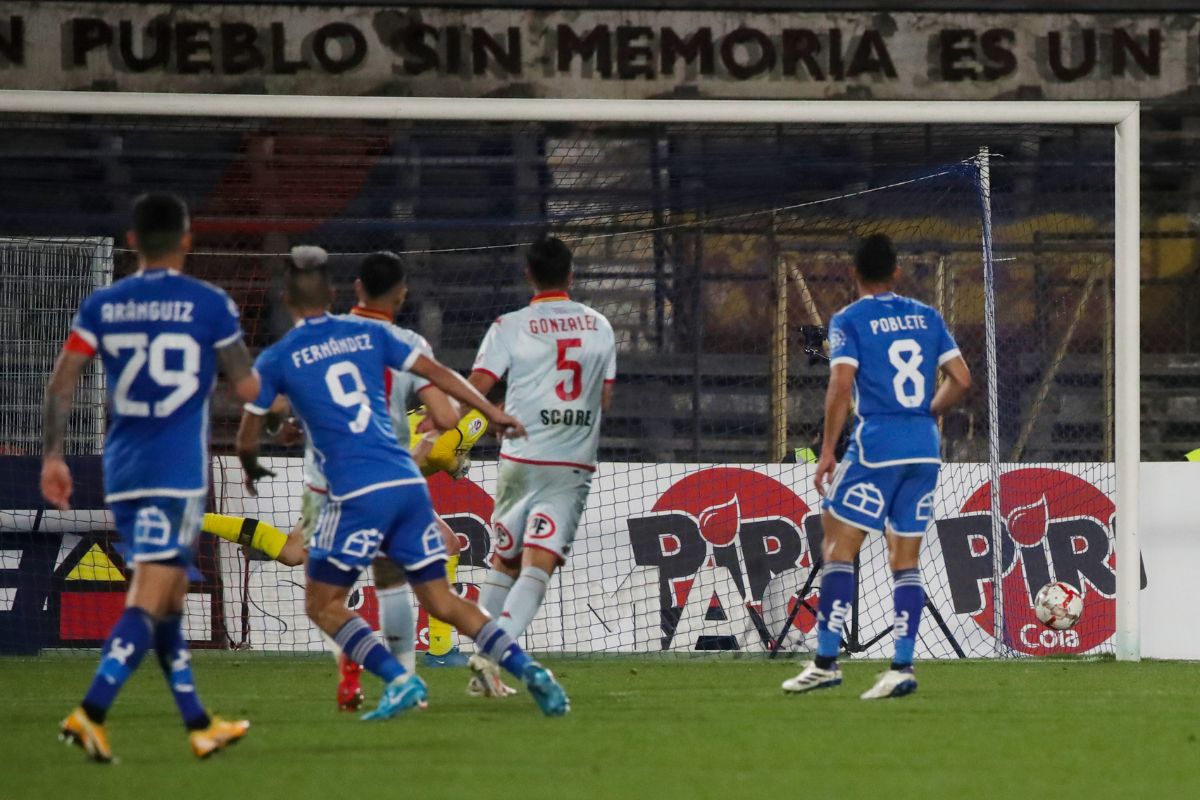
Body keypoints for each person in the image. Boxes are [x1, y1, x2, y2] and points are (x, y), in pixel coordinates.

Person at [238, 250, 569, 719]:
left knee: (324, 598)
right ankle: (527, 668)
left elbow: (258, 425)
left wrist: (265, 447)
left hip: (343, 488)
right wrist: (490, 413)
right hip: (404, 477)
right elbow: (441, 386)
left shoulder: (281, 355)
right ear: (334, 294)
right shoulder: (377, 336)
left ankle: (396, 679)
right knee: (438, 596)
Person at [203, 251, 486, 710]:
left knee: (325, 567)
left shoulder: (333, 342)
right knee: (311, 563)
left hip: (350, 477)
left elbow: (268, 407)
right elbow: (431, 448)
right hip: (360, 480)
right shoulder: (432, 394)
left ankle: (422, 656)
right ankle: (410, 662)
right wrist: (453, 461)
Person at [43, 192, 259, 762]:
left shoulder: (103, 304)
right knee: (149, 596)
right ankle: (90, 712)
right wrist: (280, 410)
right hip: (175, 475)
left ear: (132, 241)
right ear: (187, 240)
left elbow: (62, 383)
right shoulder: (209, 304)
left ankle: (198, 723)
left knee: (169, 597)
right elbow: (246, 386)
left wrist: (53, 457)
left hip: (123, 470)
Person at [782, 233, 971, 700]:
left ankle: (826, 661)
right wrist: (927, 412)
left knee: (837, 543)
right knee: (905, 559)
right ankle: (901, 666)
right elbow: (962, 378)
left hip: (877, 446)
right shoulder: (927, 316)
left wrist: (828, 450)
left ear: (854, 273)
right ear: (897, 272)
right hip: (924, 448)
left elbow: (840, 386)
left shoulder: (850, 319)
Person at [465, 236, 616, 697]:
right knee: (537, 567)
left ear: (528, 274)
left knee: (504, 561)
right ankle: (490, 655)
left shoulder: (508, 325)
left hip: (518, 460)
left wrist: (486, 415)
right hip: (568, 464)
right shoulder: (600, 325)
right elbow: (604, 398)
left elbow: (477, 384)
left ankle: (483, 670)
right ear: (571, 274)